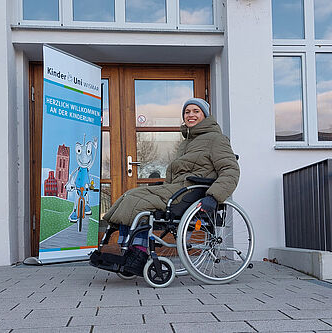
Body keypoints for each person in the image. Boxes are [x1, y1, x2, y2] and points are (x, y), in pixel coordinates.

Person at [101, 98, 240, 275]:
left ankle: (138, 253)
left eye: (196, 111)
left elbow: (230, 170)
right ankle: (128, 250)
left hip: (191, 193)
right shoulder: (187, 142)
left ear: (205, 115)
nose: (191, 115)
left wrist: (214, 196)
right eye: (187, 112)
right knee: (130, 195)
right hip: (177, 189)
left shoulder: (216, 139)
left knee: (139, 202)